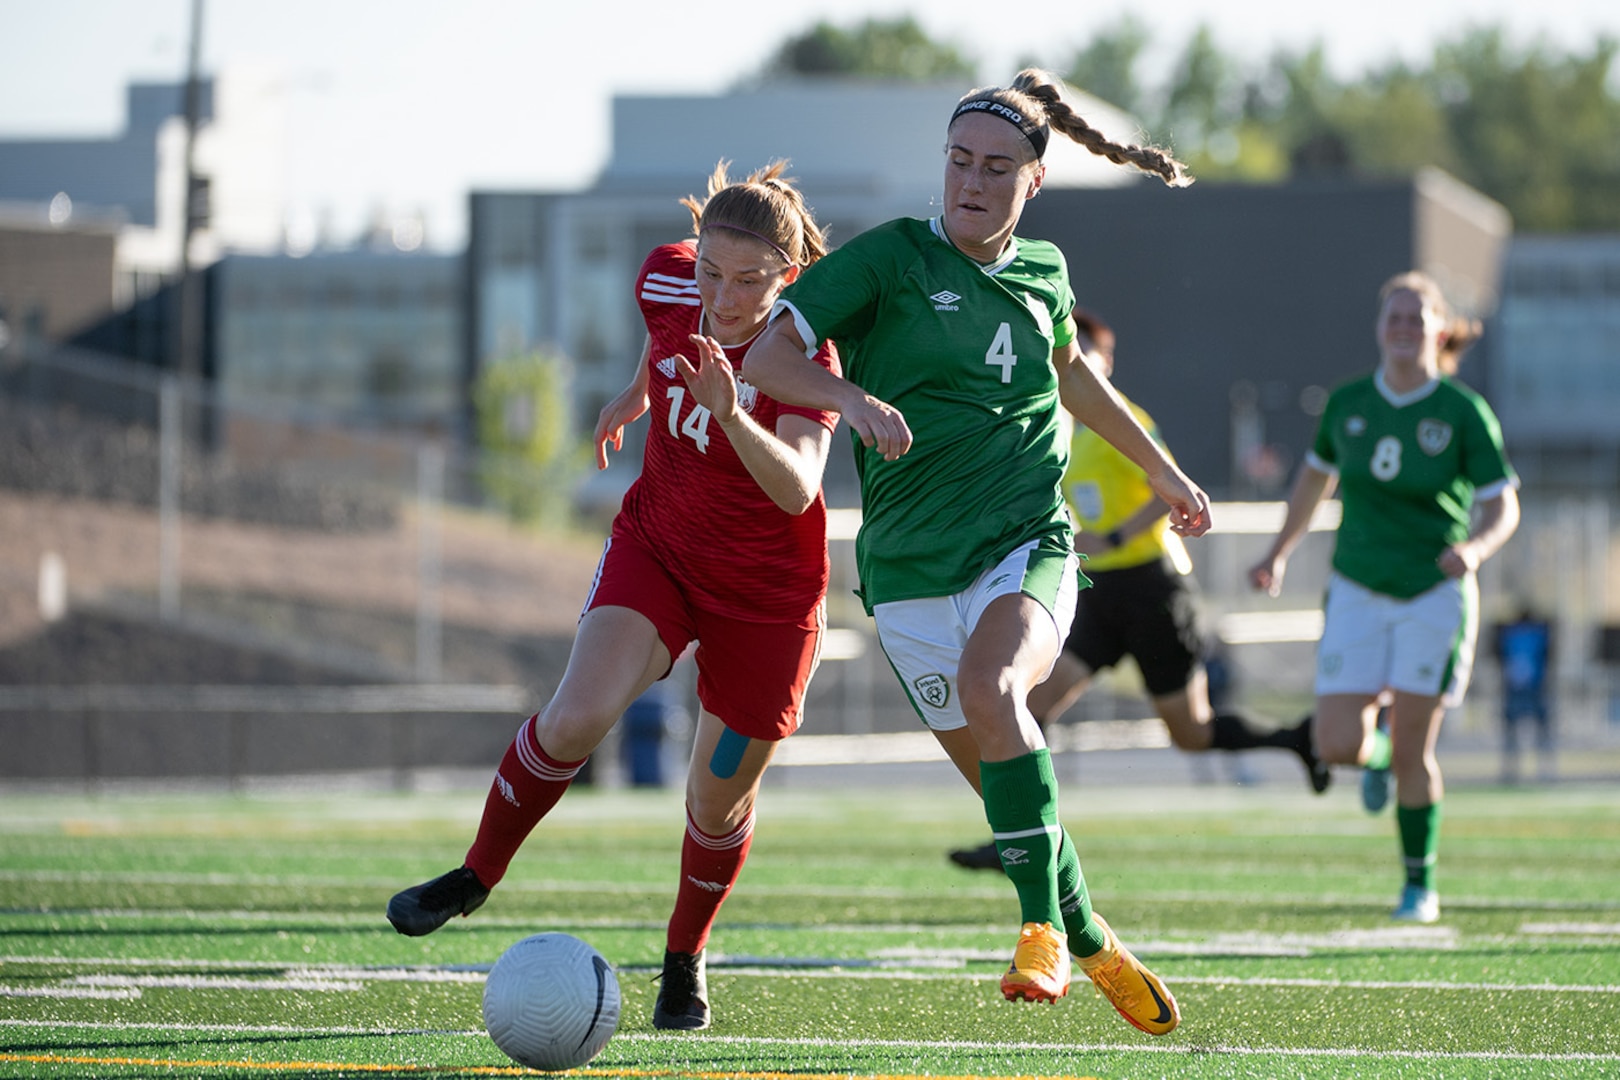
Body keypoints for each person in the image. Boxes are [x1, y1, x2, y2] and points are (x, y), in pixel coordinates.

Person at [743, 69, 1207, 1036]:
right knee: (1011, 791)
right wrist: (852, 401)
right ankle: (1089, 936)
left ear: (1033, 181)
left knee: (999, 692)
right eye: (959, 161)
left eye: (997, 167)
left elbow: (1074, 380)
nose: (973, 181)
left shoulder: (1045, 273)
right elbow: (766, 361)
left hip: (1024, 542)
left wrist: (1164, 474)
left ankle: (1038, 925)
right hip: (909, 576)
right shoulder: (888, 261)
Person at [387, 161, 841, 1032]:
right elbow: (661, 325)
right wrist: (636, 391)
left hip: (767, 599)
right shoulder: (671, 276)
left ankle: (685, 955)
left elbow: (798, 491)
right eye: (713, 270)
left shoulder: (803, 350)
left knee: (715, 802)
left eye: (751, 280)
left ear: (788, 276)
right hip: (660, 550)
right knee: (571, 719)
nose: (725, 294)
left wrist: (731, 409)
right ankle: (475, 874)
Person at [948, 311, 1328, 871]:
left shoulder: (1121, 420)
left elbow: (1168, 482)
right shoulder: (1053, 425)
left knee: (1191, 733)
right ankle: (1019, 833)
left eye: (1083, 359)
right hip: (1099, 593)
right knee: (1028, 704)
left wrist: (1119, 534)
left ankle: (1301, 739)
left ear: (1102, 365)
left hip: (1154, 586)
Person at [1249, 271, 1521, 925]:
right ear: (1379, 330)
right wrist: (1278, 551)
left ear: (1440, 330)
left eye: (1415, 317)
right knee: (1338, 743)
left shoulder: (1462, 411)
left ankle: (1418, 886)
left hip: (1433, 592)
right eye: (1393, 317)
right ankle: (1375, 760)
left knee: (1414, 754)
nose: (1403, 327)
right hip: (1357, 588)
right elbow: (1312, 485)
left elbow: (1502, 505)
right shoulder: (1347, 404)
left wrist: (1475, 551)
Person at [1493, 604, 1554, 783]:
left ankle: (1513, 770)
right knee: (1536, 732)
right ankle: (1540, 770)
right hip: (1531, 686)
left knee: (1516, 732)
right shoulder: (1538, 633)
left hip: (1521, 687)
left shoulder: (1512, 634)